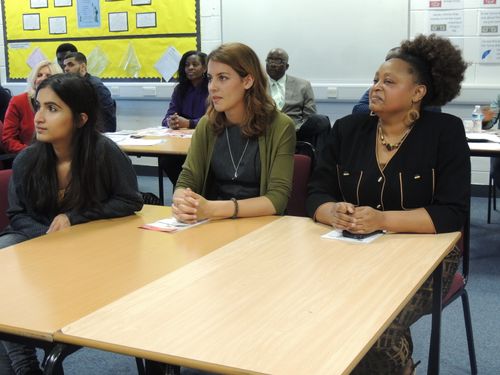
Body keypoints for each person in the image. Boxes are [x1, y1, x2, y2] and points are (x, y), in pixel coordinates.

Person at [307, 34, 469, 374]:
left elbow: (453, 213)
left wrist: (382, 219)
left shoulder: (445, 132)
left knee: (377, 331)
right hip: (351, 249)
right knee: (315, 310)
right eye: (375, 80)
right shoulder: (349, 129)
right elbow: (316, 192)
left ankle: (402, 368)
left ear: (417, 92)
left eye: (389, 81)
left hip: (428, 254)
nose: (376, 87)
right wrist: (331, 211)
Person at [0, 73, 143, 374]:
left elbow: (130, 200)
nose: (39, 117)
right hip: (37, 247)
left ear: (80, 119)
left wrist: (73, 218)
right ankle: (25, 365)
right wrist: (49, 238)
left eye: (52, 109)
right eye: (38, 106)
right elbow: (17, 215)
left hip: (91, 251)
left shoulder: (103, 152)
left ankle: (24, 366)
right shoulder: (27, 160)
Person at [172, 43, 295, 224]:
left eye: (222, 78)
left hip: (259, 224)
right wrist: (183, 201)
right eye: (210, 78)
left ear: (248, 81)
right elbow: (187, 180)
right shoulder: (207, 125)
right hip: (213, 223)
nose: (212, 87)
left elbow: (277, 199)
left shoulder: (280, 126)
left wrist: (212, 209)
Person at [265, 48, 330, 150]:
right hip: (265, 130)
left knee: (321, 120)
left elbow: (310, 115)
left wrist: (295, 128)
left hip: (296, 131)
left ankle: (321, 164)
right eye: (269, 60)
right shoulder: (257, 84)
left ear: (286, 66)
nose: (272, 64)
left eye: (278, 61)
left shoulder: (303, 85)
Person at [160, 50, 209, 186]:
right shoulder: (180, 89)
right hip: (180, 142)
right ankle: (184, 188)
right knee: (166, 160)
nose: (190, 68)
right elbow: (167, 117)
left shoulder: (212, 88)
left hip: (204, 139)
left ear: (204, 68)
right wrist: (171, 122)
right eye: (187, 65)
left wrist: (189, 123)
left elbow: (214, 119)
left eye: (195, 64)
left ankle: (193, 189)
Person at [2, 60, 62, 154]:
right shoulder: (19, 101)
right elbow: (8, 139)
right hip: (28, 156)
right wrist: (31, 152)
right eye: (39, 75)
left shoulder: (63, 103)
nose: (42, 79)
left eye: (48, 76)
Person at [63, 52, 116, 132]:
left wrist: (105, 139)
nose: (66, 69)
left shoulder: (96, 86)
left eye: (71, 65)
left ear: (83, 67)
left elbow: (108, 115)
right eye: (65, 66)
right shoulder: (72, 86)